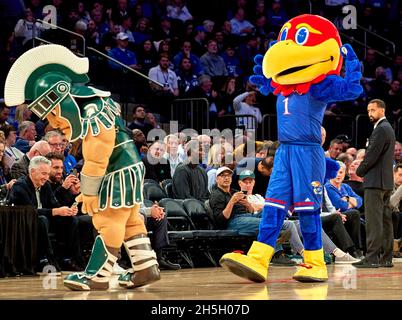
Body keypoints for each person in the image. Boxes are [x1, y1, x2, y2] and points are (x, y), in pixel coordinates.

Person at [219, 14, 363, 283]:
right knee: (273, 204)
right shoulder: (282, 87)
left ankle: (314, 262)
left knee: (308, 209)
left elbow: (350, 89)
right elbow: (265, 84)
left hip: (307, 152)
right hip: (284, 151)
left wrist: (351, 64)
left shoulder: (319, 85)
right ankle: (259, 258)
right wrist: (264, 78)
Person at [5, 44, 160, 291]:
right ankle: (145, 267)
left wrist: (88, 190)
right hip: (128, 167)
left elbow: (98, 154)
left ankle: (96, 276)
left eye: (53, 114)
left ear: (62, 96)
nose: (53, 122)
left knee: (107, 221)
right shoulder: (95, 102)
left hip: (117, 170)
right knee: (129, 219)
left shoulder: (91, 109)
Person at [9, 156, 78, 273]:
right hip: (24, 224)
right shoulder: (20, 186)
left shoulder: (45, 185)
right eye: (43, 174)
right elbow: (30, 211)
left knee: (71, 220)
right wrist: (54, 211)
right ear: (32, 172)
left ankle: (68, 258)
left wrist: (67, 211)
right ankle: (45, 259)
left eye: (47, 174)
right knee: (42, 220)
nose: (46, 177)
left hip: (45, 220)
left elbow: (55, 205)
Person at [353, 99, 396, 268]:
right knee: (385, 221)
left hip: (375, 182)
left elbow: (371, 156)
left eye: (373, 110)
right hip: (385, 182)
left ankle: (371, 258)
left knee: (374, 221)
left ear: (382, 111)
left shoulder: (381, 129)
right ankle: (386, 257)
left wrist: (359, 171)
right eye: (368, 110)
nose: (370, 113)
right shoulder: (388, 128)